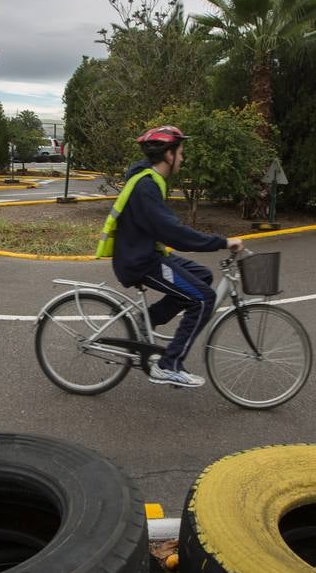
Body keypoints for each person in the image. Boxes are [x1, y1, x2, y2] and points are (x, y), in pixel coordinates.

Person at [95, 125, 244, 388]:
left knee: (202, 275)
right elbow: (174, 234)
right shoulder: (146, 187)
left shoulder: (150, 181)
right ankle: (168, 365)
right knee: (202, 298)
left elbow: (165, 228)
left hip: (144, 255)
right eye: (181, 152)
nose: (183, 158)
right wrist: (222, 242)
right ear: (168, 155)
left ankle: (147, 319)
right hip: (140, 263)